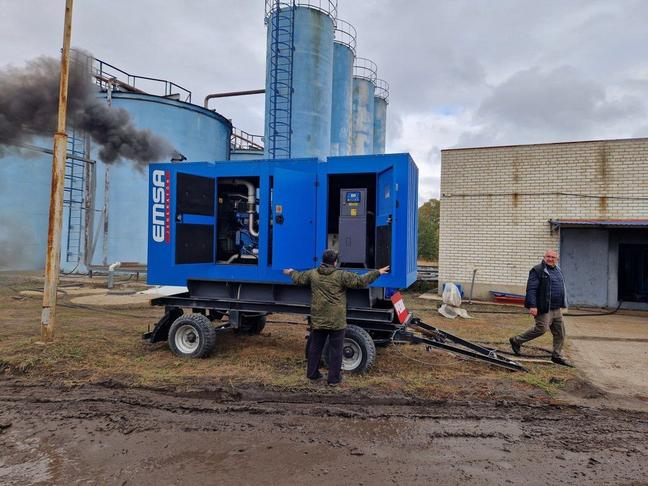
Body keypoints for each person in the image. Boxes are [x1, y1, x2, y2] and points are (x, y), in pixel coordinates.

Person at [283, 249, 390, 386]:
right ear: (335, 262)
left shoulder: (313, 274)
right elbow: (361, 281)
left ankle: (312, 374)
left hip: (319, 319)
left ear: (323, 260)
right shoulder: (341, 275)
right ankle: (333, 379)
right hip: (336, 321)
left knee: (316, 347)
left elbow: (299, 278)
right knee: (336, 350)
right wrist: (378, 272)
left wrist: (290, 272)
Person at [509, 249, 573, 366]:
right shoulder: (537, 270)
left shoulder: (558, 270)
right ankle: (516, 340)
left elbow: (561, 287)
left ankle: (556, 355)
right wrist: (533, 305)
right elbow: (531, 289)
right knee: (541, 329)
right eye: (547, 256)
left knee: (560, 333)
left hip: (556, 308)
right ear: (544, 257)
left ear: (557, 259)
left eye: (552, 257)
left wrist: (564, 303)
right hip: (543, 307)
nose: (550, 259)